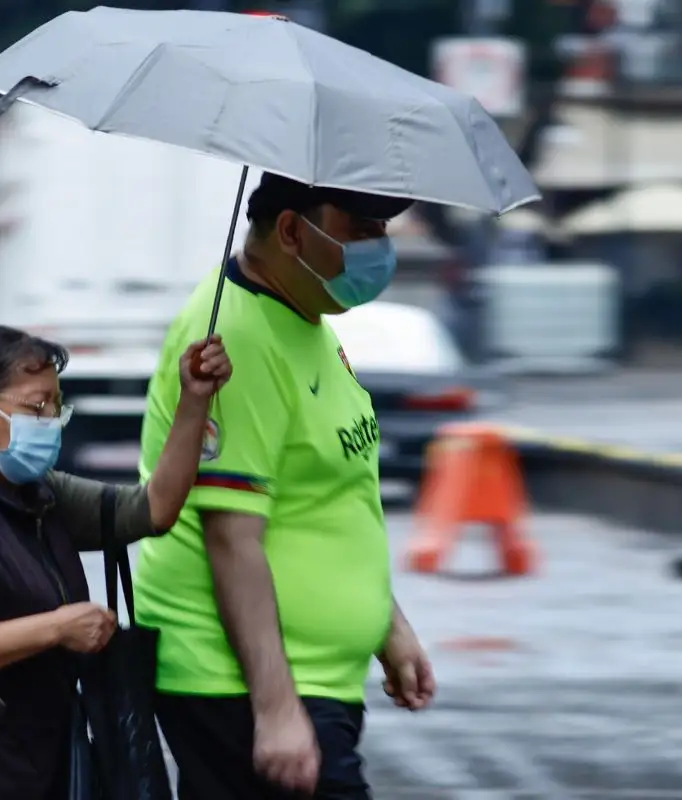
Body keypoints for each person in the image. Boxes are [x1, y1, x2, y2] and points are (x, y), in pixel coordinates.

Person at [135, 173, 438, 800]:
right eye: (361, 231)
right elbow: (231, 538)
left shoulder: (309, 320)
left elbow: (330, 499)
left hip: (316, 678)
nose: (378, 249)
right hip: (241, 683)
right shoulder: (236, 336)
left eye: (382, 231)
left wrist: (387, 625)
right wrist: (274, 709)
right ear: (293, 231)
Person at [0, 324, 231, 800]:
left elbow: (153, 509)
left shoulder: (38, 493)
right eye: (36, 408)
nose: (51, 421)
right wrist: (56, 628)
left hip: (21, 766)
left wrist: (194, 400)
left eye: (56, 407)